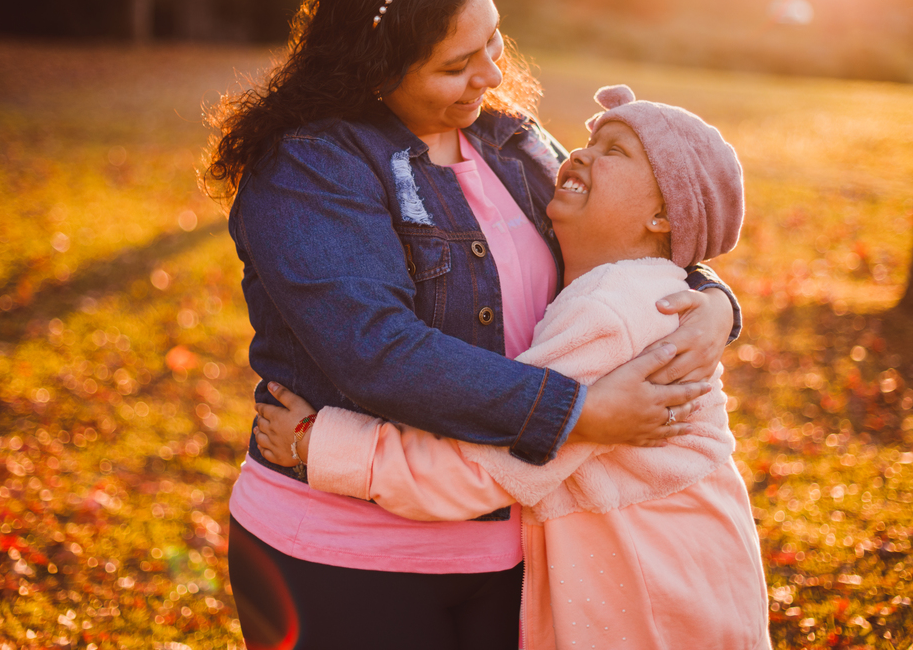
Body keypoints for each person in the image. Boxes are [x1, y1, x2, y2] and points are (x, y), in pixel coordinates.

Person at [201, 0, 742, 650]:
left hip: (506, 554)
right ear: (373, 71)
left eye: (492, 42)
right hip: (345, 554)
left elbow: (634, 231)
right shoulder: (309, 166)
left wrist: (714, 303)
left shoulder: (507, 139)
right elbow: (379, 353)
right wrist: (578, 413)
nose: (489, 75)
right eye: (456, 65)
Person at [255, 86, 769, 649]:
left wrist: (319, 443)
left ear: (664, 214)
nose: (579, 155)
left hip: (649, 598)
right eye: (591, 140)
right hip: (683, 578)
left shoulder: (610, 310)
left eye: (615, 150)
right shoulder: (646, 292)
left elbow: (492, 468)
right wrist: (718, 301)